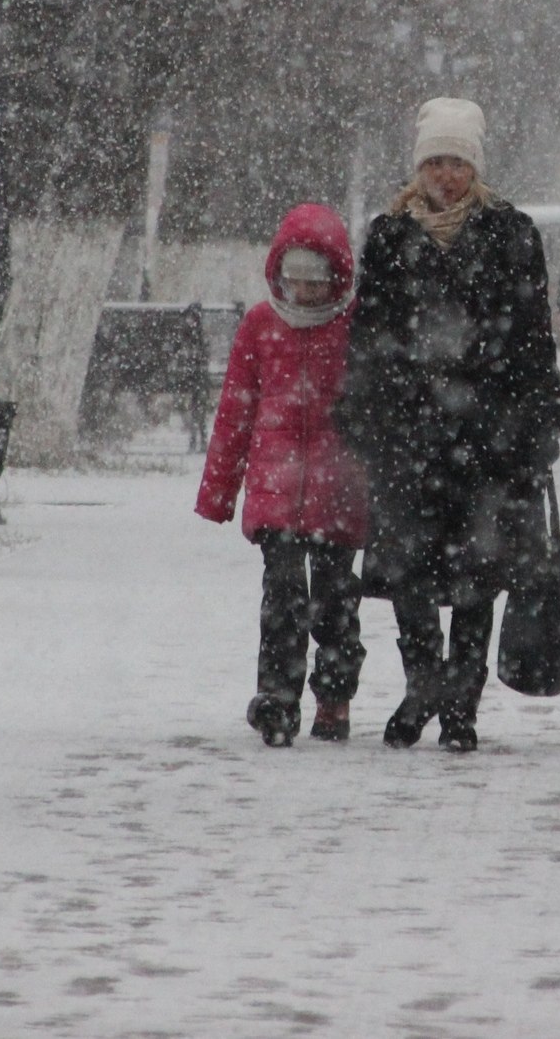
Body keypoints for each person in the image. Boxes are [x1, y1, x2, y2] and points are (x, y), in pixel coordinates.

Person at [336, 97, 560, 752]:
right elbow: (370, 333)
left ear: (476, 167)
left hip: (487, 437)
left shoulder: (511, 234)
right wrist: (363, 405)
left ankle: (461, 705)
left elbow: (531, 337)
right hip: (408, 437)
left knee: (477, 577)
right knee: (410, 574)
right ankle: (423, 688)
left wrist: (538, 410)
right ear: (419, 167)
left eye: (458, 163)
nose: (447, 175)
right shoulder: (388, 236)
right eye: (436, 162)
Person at [193, 204, 370, 747]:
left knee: (337, 604)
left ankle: (334, 696)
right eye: (293, 279)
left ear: (337, 277)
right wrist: (219, 492)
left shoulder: (357, 325)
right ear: (277, 273)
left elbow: (379, 409)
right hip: (276, 495)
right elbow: (235, 411)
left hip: (341, 492)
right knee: (283, 599)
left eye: (316, 282)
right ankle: (277, 698)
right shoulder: (260, 326)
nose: (304, 292)